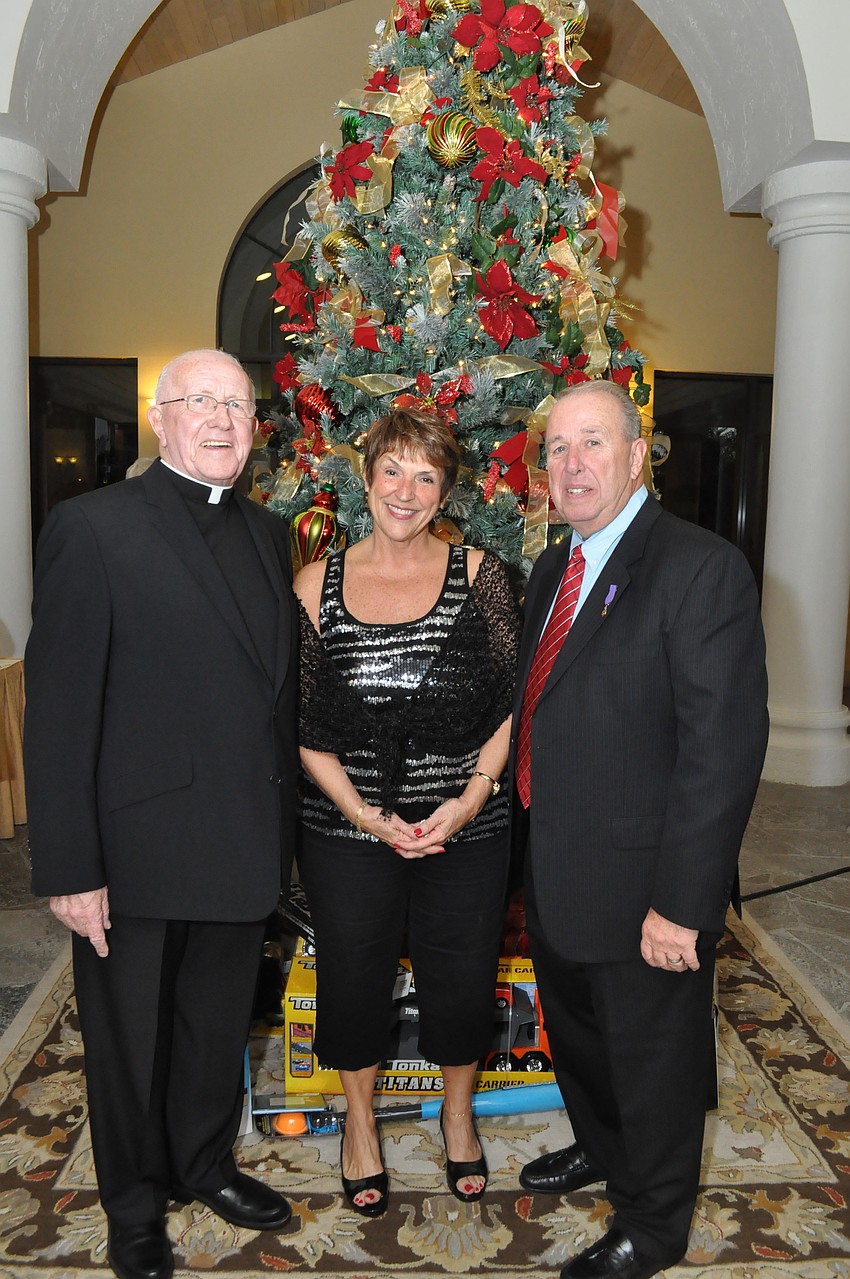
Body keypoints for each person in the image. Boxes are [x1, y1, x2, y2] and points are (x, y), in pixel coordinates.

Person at [24, 350, 299, 1279]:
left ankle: (202, 1161)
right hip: (133, 851)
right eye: (201, 402)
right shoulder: (91, 527)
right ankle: (134, 1205)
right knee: (128, 1042)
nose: (223, 420)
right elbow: (59, 709)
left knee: (215, 1027)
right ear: (160, 415)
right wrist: (69, 866)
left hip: (239, 841)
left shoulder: (270, 534)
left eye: (240, 405)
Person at [512, 380, 769, 1279]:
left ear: (635, 453)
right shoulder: (554, 567)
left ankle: (652, 1225)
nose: (572, 464)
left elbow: (721, 752)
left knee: (652, 1061)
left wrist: (682, 904)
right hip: (557, 870)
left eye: (591, 443)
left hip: (646, 888)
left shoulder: (700, 568)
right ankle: (601, 1147)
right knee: (579, 1038)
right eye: (556, 448)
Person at [294, 407, 521, 1216]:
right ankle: (361, 1124)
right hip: (347, 831)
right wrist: (363, 812)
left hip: (469, 827)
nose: (406, 489)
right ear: (365, 477)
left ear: (445, 491)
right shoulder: (312, 583)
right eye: (393, 469)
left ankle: (458, 1116)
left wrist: (466, 802)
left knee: (461, 978)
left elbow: (507, 709)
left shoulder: (483, 575)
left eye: (427, 476)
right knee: (352, 981)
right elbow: (302, 729)